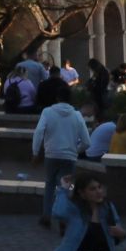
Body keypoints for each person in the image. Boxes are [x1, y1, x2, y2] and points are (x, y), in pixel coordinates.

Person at [53, 169, 126, 251]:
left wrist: (122, 233)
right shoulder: (74, 211)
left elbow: (119, 235)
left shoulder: (108, 208)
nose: (98, 191)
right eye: (92, 189)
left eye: (99, 187)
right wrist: (66, 187)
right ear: (82, 193)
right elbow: (58, 212)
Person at [35, 89, 92, 228]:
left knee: (49, 185)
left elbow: (38, 132)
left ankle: (46, 216)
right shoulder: (77, 116)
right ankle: (63, 218)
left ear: (57, 98)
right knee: (67, 187)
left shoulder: (47, 112)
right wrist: (75, 151)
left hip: (51, 155)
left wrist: (35, 152)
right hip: (69, 157)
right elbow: (87, 142)